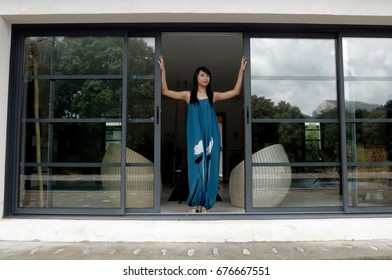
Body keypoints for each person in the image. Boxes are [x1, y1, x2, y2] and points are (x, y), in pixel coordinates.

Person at [158, 55, 247, 213]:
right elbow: (165, 91)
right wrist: (163, 70)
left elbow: (235, 91)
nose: (206, 78)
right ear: (196, 78)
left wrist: (241, 71)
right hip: (195, 137)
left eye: (208, 75)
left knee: (211, 169)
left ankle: (205, 204)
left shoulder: (213, 96)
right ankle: (194, 203)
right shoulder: (188, 95)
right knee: (196, 168)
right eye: (202, 75)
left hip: (211, 136)